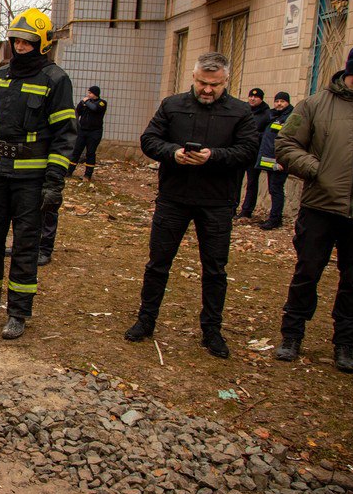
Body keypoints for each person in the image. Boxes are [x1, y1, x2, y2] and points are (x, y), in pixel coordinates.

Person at [273, 45, 353, 373]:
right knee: (307, 273)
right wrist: (316, 170)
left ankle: (346, 344)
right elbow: (286, 144)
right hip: (320, 207)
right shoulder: (314, 105)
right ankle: (292, 335)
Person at [124, 52, 258, 358]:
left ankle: (212, 330)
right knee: (158, 263)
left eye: (215, 85)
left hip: (217, 202)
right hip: (174, 198)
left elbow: (249, 151)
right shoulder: (172, 105)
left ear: (226, 81)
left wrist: (214, 156)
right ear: (193, 78)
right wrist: (173, 153)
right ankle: (146, 320)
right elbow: (149, 139)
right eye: (202, 83)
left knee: (215, 270)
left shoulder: (240, 112)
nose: (207, 90)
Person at [0, 9, 76, 339]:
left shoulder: (55, 80)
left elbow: (65, 135)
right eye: (16, 41)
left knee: (25, 246)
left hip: (31, 181)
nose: (21, 47)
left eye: (28, 42)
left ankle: (18, 313)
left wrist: (54, 182)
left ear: (43, 44)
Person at [256, 92, 293, 230]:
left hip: (281, 162)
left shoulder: (291, 118)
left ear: (288, 102)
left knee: (276, 189)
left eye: (282, 101)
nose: (279, 104)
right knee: (273, 189)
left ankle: (275, 219)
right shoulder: (273, 116)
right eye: (277, 101)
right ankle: (274, 217)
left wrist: (283, 160)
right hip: (271, 161)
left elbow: (289, 141)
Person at [237, 87, 273, 219]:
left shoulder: (267, 114)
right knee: (237, 181)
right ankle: (232, 207)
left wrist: (255, 136)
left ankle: (247, 210)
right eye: (251, 96)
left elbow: (268, 134)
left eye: (256, 97)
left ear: (261, 99)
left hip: (255, 153)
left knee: (252, 182)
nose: (252, 99)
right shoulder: (244, 111)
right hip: (241, 151)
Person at [70, 86, 107, 180]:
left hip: (94, 132)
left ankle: (87, 175)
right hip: (82, 131)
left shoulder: (102, 103)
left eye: (90, 93)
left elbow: (94, 108)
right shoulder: (86, 102)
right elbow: (77, 112)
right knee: (76, 151)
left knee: (90, 153)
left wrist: (86, 102)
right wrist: (82, 104)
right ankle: (69, 171)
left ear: (95, 94)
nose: (88, 95)